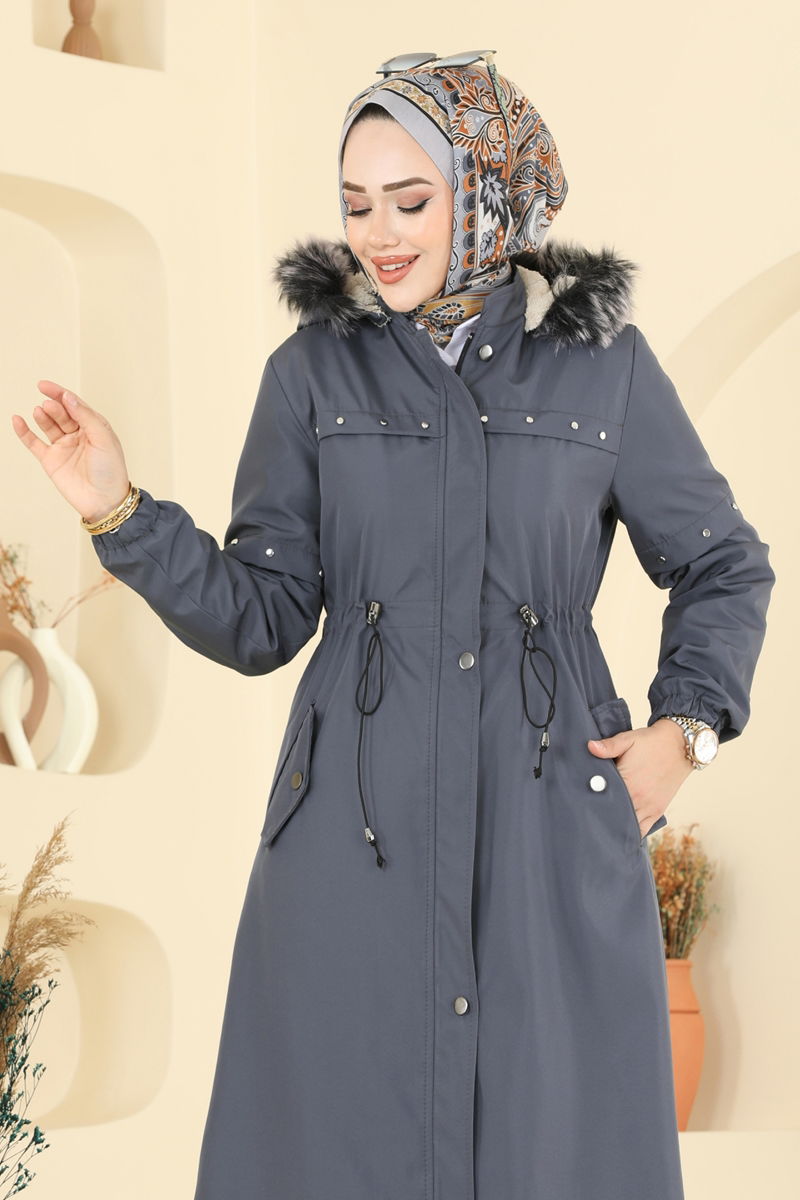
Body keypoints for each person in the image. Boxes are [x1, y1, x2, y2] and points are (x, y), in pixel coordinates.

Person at [11, 51, 775, 1200]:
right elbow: (264, 616)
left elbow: (722, 563)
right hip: (348, 836)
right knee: (334, 1142)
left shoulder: (600, 370)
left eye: (410, 201)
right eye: (355, 203)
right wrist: (119, 510)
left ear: (489, 192)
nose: (378, 235)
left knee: (554, 1147)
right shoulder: (312, 375)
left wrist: (685, 732)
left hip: (545, 823)